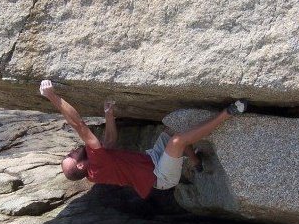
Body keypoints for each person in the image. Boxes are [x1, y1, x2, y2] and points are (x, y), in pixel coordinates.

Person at [39, 80, 247, 199]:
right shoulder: (95, 165)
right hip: (160, 177)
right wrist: (52, 96)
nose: (71, 152)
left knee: (169, 130)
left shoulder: (97, 165)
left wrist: (109, 115)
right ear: (82, 165)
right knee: (176, 142)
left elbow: (109, 144)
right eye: (71, 156)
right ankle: (228, 113)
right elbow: (79, 125)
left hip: (151, 160)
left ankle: (196, 163)